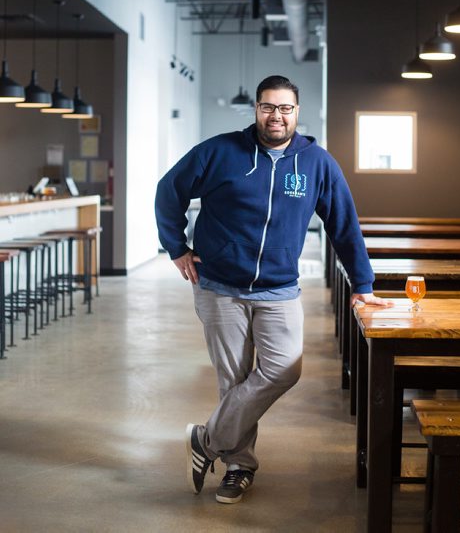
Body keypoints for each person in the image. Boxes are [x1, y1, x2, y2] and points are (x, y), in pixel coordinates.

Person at [155, 74, 390, 505]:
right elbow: (168, 191)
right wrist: (176, 247)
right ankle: (239, 466)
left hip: (280, 289)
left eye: (284, 108)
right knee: (234, 381)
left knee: (285, 369)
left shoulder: (317, 163)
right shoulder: (219, 151)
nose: (275, 116)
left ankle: (206, 441)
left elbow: (344, 225)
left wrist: (362, 283)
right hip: (219, 286)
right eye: (268, 107)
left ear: (297, 113)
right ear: (257, 109)